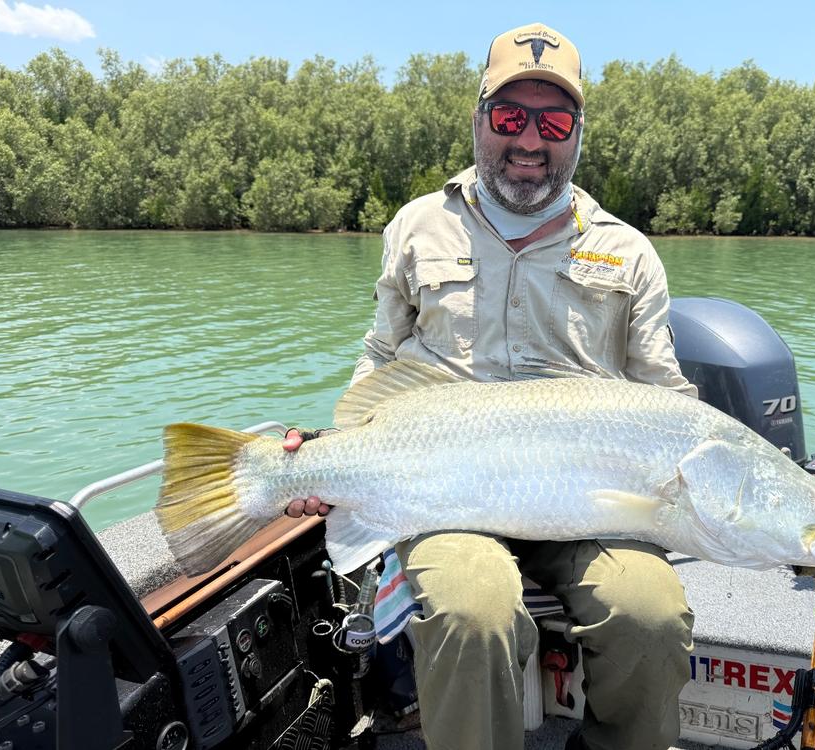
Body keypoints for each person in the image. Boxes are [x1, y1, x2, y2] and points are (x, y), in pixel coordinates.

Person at [284, 22, 699, 750]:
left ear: (578, 133)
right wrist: (336, 456)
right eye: (509, 117)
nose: (530, 141)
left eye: (554, 120)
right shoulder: (417, 226)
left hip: (590, 503)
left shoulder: (629, 252)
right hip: (446, 493)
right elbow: (382, 356)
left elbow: (666, 397)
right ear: (479, 118)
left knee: (650, 616)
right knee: (474, 612)